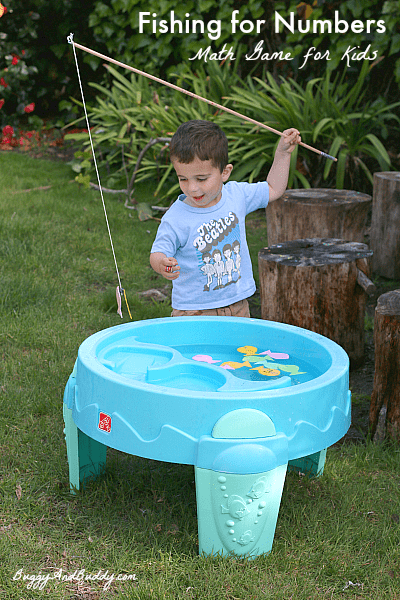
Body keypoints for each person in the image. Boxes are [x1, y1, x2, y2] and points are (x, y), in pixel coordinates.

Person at [150, 119, 300, 317]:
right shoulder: (176, 217)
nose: (192, 188)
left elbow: (273, 189)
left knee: (241, 349)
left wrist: (282, 154)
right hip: (194, 311)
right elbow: (158, 252)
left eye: (201, 179)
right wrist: (162, 263)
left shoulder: (236, 195)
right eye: (183, 179)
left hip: (238, 306)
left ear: (225, 172)